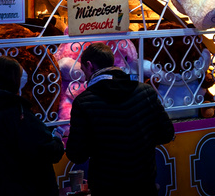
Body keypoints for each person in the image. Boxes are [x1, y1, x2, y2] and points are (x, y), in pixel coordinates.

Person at [64, 43, 176, 196]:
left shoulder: (83, 102)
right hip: (144, 183)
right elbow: (167, 133)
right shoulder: (146, 91)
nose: (85, 77)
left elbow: (77, 154)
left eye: (84, 71)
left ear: (89, 66)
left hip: (106, 187)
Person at [0, 57, 64, 196]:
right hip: (13, 188)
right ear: (14, 81)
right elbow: (45, 148)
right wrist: (57, 141)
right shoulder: (16, 113)